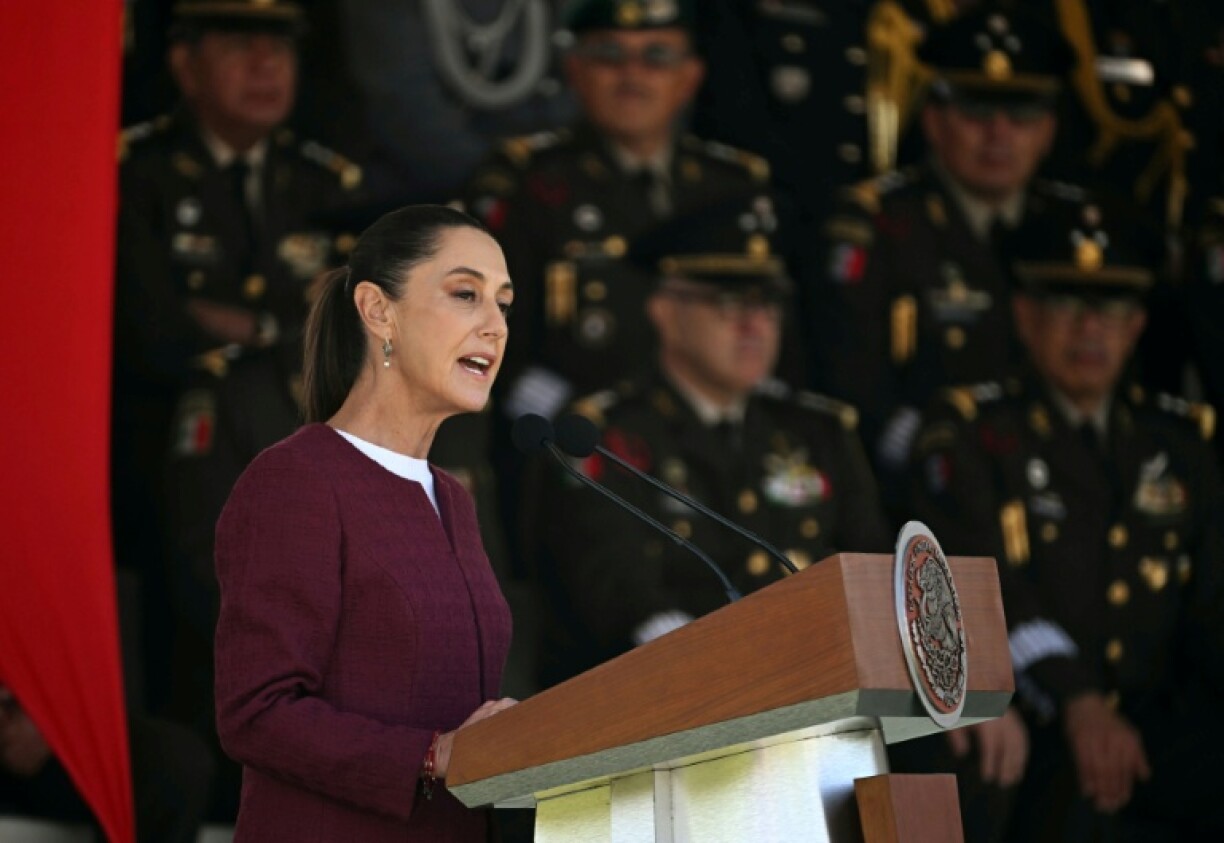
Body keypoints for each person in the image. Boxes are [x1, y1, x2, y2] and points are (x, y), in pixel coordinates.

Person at [908, 198, 1224, 840]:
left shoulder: (1181, 442)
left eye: (1109, 309)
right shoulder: (971, 429)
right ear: (1024, 316)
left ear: (1137, 324)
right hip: (1037, 719)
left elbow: (1211, 606)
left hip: (1162, 721)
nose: (1089, 329)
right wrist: (1078, 700)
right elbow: (971, 581)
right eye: (1066, 305)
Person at [213, 205, 516, 841]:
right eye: (466, 294)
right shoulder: (297, 481)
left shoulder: (453, 500)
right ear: (378, 310)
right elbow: (257, 712)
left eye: (504, 304)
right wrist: (432, 756)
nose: (495, 326)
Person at [112, 0, 359, 707]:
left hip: (299, 437)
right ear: (185, 65)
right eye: (240, 45)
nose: (265, 65)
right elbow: (152, 335)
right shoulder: (136, 172)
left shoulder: (328, 182)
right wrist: (287, 323)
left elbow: (351, 335)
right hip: (164, 458)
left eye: (280, 47)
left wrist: (244, 329)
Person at [533, 196, 890, 686]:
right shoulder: (604, 435)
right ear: (665, 312)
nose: (753, 325)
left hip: (823, 685)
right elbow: (616, 587)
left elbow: (873, 572)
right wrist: (712, 669)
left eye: (766, 304)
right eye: (727, 302)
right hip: (676, 695)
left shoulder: (819, 429)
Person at [810, 3, 1087, 516]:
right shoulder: (880, 224)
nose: (999, 135)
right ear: (934, 120)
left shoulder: (1074, 226)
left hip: (1062, 498)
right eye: (977, 112)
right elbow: (852, 388)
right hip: (916, 493)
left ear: (1048, 129)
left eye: (1021, 115)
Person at [463, 0, 772, 423]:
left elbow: (772, 323)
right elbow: (481, 328)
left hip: (713, 433)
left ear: (690, 77)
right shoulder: (526, 183)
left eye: (657, 56)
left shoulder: (733, 184)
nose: (633, 75)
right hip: (576, 438)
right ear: (574, 71)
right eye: (609, 55)